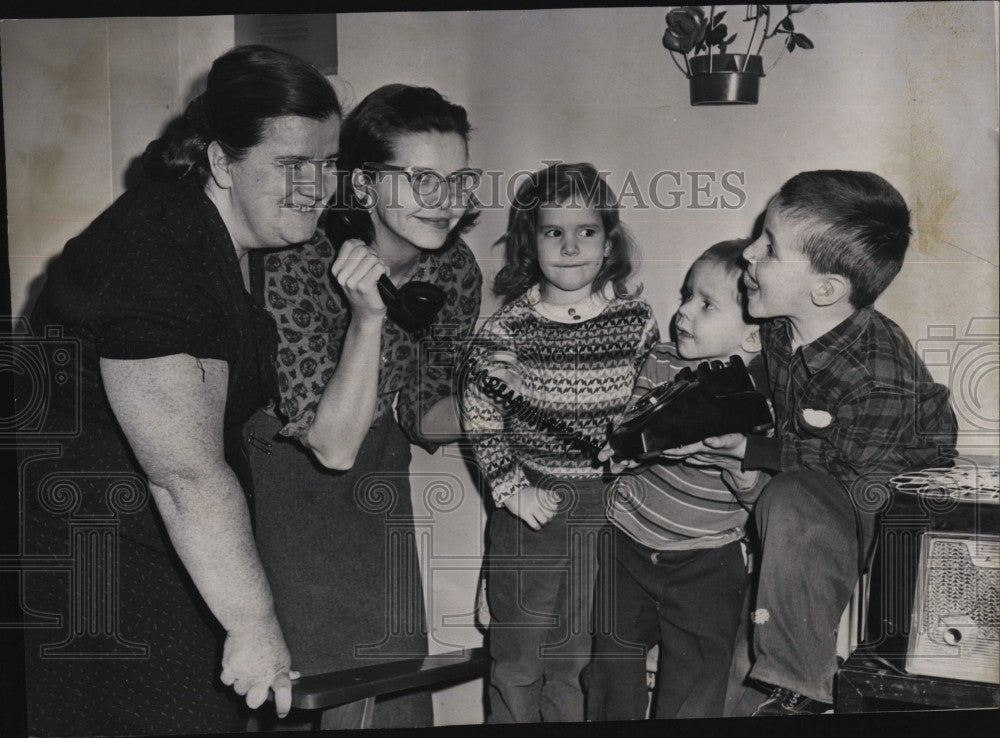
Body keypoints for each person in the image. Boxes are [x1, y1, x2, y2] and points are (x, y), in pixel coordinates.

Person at [18, 45, 341, 736]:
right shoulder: (157, 253)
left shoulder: (208, 243)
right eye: (293, 165)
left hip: (146, 550)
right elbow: (184, 474)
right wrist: (254, 622)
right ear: (223, 162)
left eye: (328, 162)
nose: (319, 186)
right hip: (93, 571)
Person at [661, 170, 958, 715]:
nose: (748, 252)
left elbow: (854, 475)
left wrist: (751, 454)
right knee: (747, 636)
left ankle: (798, 694)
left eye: (768, 247)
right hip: (817, 503)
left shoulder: (879, 372)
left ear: (826, 289)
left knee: (790, 499)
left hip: (898, 518)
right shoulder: (777, 327)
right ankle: (754, 695)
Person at [244, 83, 483, 730]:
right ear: (363, 186)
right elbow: (329, 443)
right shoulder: (296, 259)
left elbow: (425, 409)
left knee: (397, 674)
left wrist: (512, 407)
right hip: (282, 473)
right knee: (309, 685)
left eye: (459, 180)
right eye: (422, 180)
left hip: (378, 468)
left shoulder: (455, 270)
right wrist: (367, 321)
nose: (447, 202)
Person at [462, 162, 659, 723]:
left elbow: (651, 406)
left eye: (586, 231)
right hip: (531, 506)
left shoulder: (636, 321)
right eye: (554, 232)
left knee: (576, 660)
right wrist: (509, 487)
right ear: (531, 241)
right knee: (519, 659)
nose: (571, 246)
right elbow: (480, 414)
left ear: (608, 241)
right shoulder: (505, 329)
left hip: (607, 507)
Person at [582, 239, 768, 720]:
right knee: (611, 669)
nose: (683, 311)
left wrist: (731, 460)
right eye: (687, 295)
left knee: (698, 682)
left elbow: (757, 494)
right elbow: (631, 428)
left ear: (753, 339)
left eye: (706, 305)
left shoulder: (758, 401)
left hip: (708, 559)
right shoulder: (661, 361)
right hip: (629, 544)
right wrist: (624, 449)